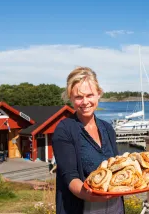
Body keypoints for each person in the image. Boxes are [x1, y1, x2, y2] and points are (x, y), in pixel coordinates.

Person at [52, 67, 125, 214]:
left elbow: (116, 167)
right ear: (71, 98)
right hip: (84, 207)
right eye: (79, 97)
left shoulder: (107, 128)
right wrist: (93, 196)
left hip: (115, 206)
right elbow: (70, 177)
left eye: (90, 95)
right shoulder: (65, 130)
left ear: (98, 94)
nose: (85, 102)